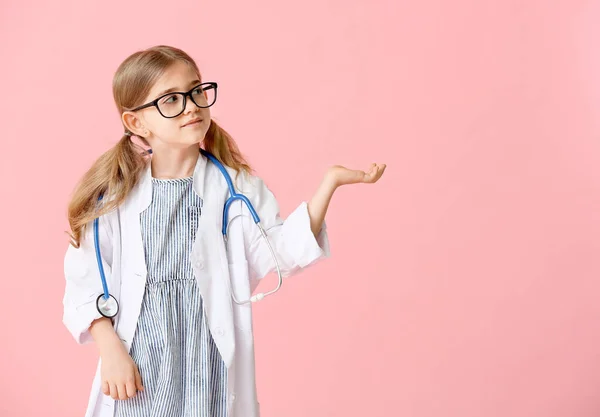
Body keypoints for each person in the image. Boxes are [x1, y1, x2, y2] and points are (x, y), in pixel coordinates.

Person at [62, 45, 386, 417]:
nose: (191, 106)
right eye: (171, 99)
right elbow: (84, 282)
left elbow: (280, 255)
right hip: (136, 364)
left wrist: (328, 184)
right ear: (136, 122)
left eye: (196, 90)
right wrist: (111, 350)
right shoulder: (115, 196)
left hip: (208, 362)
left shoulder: (238, 188)